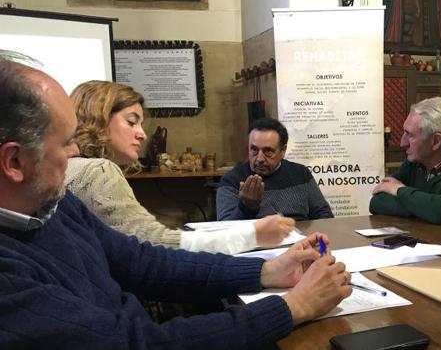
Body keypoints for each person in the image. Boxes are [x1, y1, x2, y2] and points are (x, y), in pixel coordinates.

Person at [0, 60, 352, 348]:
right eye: (64, 143)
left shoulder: (55, 204)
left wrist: (264, 272)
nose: (75, 151)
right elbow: (136, 343)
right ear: (14, 162)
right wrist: (293, 306)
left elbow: (143, 261)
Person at [64, 80, 294, 255]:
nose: (142, 134)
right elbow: (153, 245)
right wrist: (253, 235)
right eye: (131, 122)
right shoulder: (98, 171)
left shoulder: (70, 168)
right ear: (100, 120)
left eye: (140, 124)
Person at [217, 117, 334, 221]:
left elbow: (324, 214)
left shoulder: (300, 173)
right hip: (257, 243)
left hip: (301, 240)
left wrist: (320, 244)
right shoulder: (232, 180)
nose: (259, 158)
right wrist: (247, 207)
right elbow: (225, 232)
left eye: (268, 151)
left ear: (283, 151)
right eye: (254, 150)